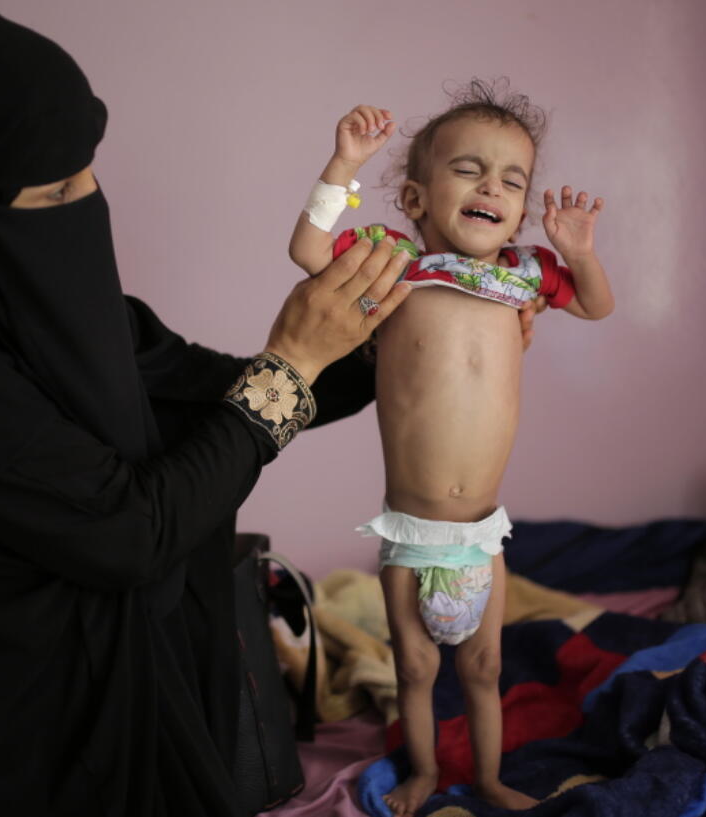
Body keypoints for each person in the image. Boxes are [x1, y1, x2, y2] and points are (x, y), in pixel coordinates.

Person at [0, 9, 427, 816]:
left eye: (87, 172)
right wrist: (294, 362)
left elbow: (204, 388)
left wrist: (402, 349)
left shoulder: (30, 303)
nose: (89, 202)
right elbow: (134, 532)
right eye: (57, 191)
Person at [288, 82, 614, 815]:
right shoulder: (395, 264)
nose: (490, 187)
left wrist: (580, 252)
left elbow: (596, 303)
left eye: (511, 178)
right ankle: (425, 773)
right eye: (468, 168)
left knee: (485, 666)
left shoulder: (524, 274)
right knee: (413, 668)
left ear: (522, 212)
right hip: (409, 532)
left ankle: (491, 779)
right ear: (413, 197)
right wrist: (342, 165)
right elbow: (307, 248)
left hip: (481, 537)